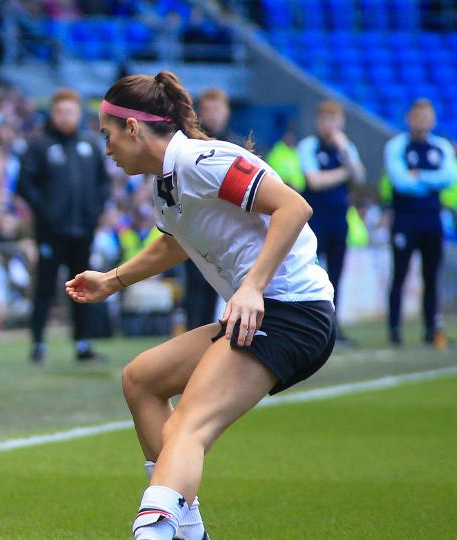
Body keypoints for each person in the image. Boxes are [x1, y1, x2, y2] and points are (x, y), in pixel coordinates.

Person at [65, 71, 336, 540]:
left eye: (108, 134)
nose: (106, 148)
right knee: (142, 379)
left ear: (133, 128)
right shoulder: (166, 182)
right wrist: (111, 280)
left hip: (293, 311)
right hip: (263, 310)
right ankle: (187, 528)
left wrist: (251, 287)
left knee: (188, 425)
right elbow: (174, 244)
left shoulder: (201, 160)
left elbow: (293, 207)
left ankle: (154, 529)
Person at [16, 87, 110, 364]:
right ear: (53, 113)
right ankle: (38, 344)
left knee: (83, 288)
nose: (66, 116)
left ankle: (83, 343)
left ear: (78, 113)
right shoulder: (39, 146)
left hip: (83, 231)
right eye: (61, 111)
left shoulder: (89, 146)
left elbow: (102, 184)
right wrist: (46, 213)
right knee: (44, 287)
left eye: (71, 111)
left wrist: (94, 212)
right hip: (50, 232)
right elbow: (25, 185)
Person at [384, 98, 456, 348]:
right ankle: (394, 329)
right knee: (400, 275)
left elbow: (449, 177)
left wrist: (420, 176)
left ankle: (430, 328)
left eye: (427, 116)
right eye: (418, 115)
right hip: (405, 219)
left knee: (431, 276)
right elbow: (401, 181)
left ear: (433, 119)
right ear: (409, 118)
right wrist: (426, 181)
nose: (423, 120)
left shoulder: (441, 147)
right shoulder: (397, 145)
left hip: (432, 220)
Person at [297, 101, 365, 343]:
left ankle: (333, 327)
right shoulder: (308, 146)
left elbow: (360, 176)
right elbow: (315, 181)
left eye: (334, 119)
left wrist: (345, 152)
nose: (329, 125)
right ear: (318, 121)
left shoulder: (346, 147)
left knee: (336, 276)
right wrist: (345, 172)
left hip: (339, 220)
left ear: (341, 122)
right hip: (315, 221)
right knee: (312, 274)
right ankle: (310, 326)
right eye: (325, 119)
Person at [180, 88, 242, 331]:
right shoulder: (190, 146)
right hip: (198, 227)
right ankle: (194, 336)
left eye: (217, 109)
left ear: (226, 111)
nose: (213, 115)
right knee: (196, 289)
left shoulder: (239, 146)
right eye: (207, 110)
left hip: (230, 230)